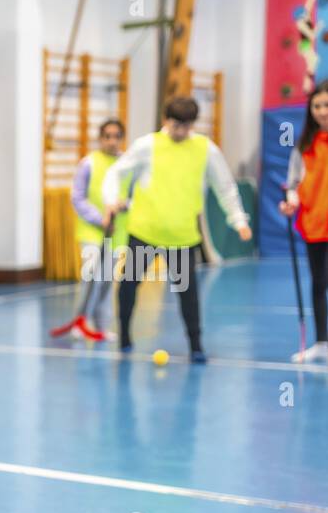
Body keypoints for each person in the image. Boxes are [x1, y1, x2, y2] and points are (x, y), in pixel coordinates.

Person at [102, 96, 253, 363]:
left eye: (185, 126)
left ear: (193, 124)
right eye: (175, 125)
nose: (180, 131)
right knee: (128, 286)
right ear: (166, 120)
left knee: (188, 294)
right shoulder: (147, 145)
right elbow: (116, 172)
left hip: (181, 237)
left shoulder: (206, 149)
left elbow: (225, 186)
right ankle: (124, 336)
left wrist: (238, 220)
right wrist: (111, 199)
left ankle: (196, 345)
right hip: (145, 232)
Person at [53, 118, 130, 342]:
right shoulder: (89, 163)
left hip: (117, 232)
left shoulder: (127, 165)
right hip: (92, 231)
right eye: (107, 136)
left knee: (106, 280)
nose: (112, 141)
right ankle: (80, 322)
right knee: (90, 277)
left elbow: (135, 195)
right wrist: (99, 219)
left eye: (116, 136)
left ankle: (102, 327)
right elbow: (77, 197)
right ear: (100, 138)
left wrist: (125, 204)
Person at [280, 79, 328, 370]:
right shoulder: (305, 143)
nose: (322, 111)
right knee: (318, 282)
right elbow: (293, 182)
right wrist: (290, 199)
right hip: (313, 221)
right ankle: (321, 342)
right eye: (317, 105)